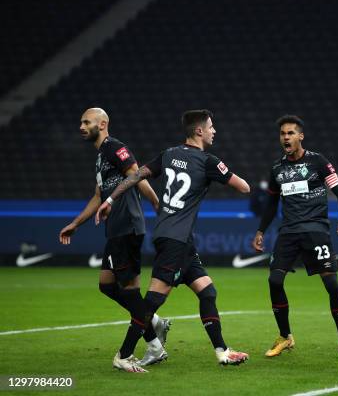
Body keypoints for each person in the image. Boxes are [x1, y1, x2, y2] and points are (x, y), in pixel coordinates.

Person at [96, 109, 250, 372]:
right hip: (175, 241)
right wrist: (219, 170)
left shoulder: (168, 154)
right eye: (211, 127)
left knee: (207, 291)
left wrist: (110, 199)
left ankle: (222, 351)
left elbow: (134, 176)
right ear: (199, 131)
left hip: (177, 240)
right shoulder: (208, 161)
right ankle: (123, 354)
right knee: (152, 302)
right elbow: (244, 187)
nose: (214, 131)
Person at [59, 107, 171, 371]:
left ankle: (149, 346)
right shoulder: (100, 158)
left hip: (127, 227)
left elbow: (137, 174)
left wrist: (156, 204)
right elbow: (98, 196)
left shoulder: (114, 147)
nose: (81, 126)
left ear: (103, 123)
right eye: (81, 122)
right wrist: (76, 224)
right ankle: (152, 319)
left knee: (129, 291)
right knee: (107, 285)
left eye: (87, 122)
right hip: (115, 229)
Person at [251, 114, 338, 359]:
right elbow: (270, 204)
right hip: (288, 232)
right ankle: (285, 336)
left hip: (316, 230)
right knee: (274, 281)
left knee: (331, 285)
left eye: (290, 133)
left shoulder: (318, 162)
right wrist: (260, 231)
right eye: (282, 134)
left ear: (300, 136)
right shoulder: (277, 168)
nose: (285, 137)